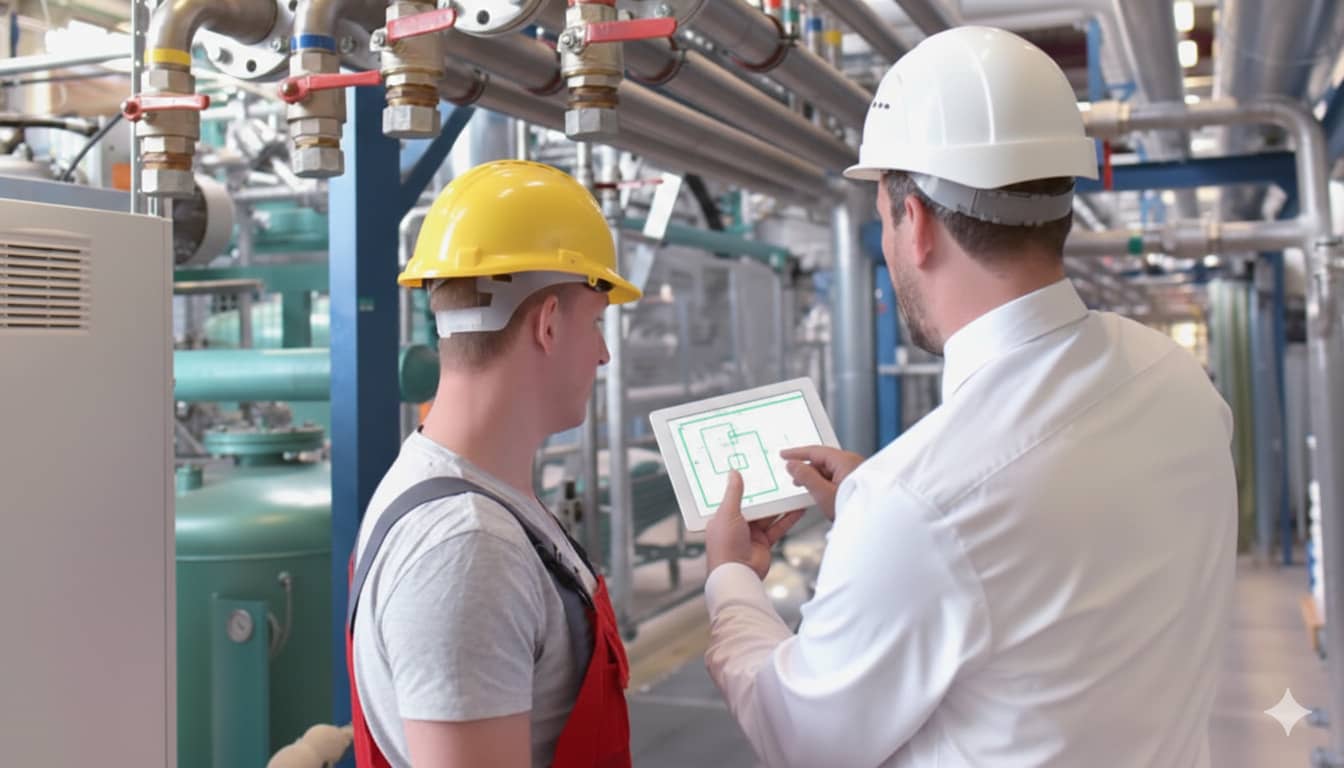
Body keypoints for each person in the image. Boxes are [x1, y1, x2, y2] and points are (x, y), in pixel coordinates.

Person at [702, 26, 1237, 768]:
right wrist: (872, 501)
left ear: (914, 222)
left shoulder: (918, 504)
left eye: (885, 220)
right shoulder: (1176, 379)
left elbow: (802, 738)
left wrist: (731, 578)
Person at [345, 160, 641, 768]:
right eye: (597, 322)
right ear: (550, 325)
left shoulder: (468, 490)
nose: (605, 353)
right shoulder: (466, 548)